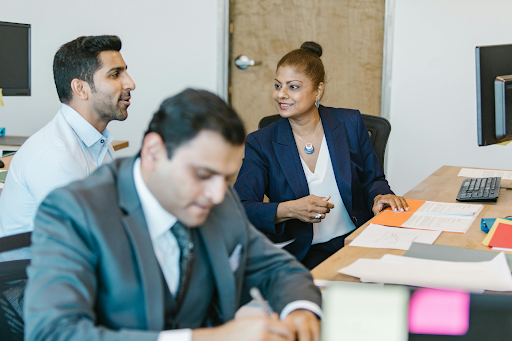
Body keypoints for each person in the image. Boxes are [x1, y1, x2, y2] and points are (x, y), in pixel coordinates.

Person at [24, 89, 322, 341]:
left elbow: (278, 268)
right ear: (154, 152)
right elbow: (53, 332)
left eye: (226, 178)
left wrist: (299, 309)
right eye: (203, 174)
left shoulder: (220, 200)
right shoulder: (73, 211)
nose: (217, 194)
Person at [234, 42, 408, 269]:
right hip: (300, 255)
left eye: (293, 87)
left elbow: (373, 180)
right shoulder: (261, 142)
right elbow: (241, 207)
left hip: (354, 242)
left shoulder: (349, 124)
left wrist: (381, 196)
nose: (281, 95)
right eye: (277, 86)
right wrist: (290, 209)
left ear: (318, 90)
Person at [0, 35, 135, 237]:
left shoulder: (100, 143)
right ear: (80, 89)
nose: (130, 84)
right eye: (115, 74)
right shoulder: (54, 154)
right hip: (32, 267)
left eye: (125, 72)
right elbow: (86, 239)